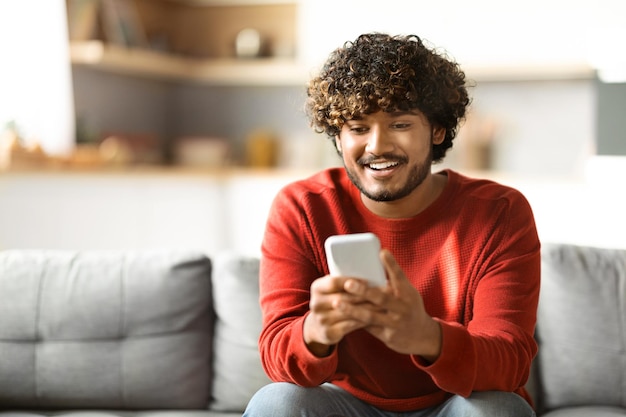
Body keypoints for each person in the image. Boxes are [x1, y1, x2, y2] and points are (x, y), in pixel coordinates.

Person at [243, 33, 540, 417]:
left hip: (453, 404)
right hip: (345, 405)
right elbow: (278, 358)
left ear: (437, 130)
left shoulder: (499, 212)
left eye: (399, 124)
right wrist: (314, 333)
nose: (377, 146)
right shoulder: (302, 207)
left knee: (497, 410)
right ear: (338, 135)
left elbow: (511, 361)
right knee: (276, 403)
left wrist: (426, 336)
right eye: (358, 127)